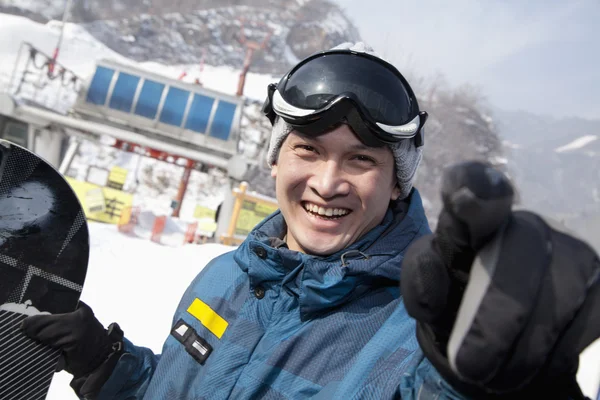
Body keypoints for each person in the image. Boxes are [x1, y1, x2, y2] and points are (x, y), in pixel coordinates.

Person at [21, 42, 599, 400]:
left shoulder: (426, 329)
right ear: (276, 158)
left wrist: (495, 385)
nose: (327, 182)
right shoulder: (226, 277)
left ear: (398, 182)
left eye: (362, 159)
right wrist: (106, 365)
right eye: (308, 150)